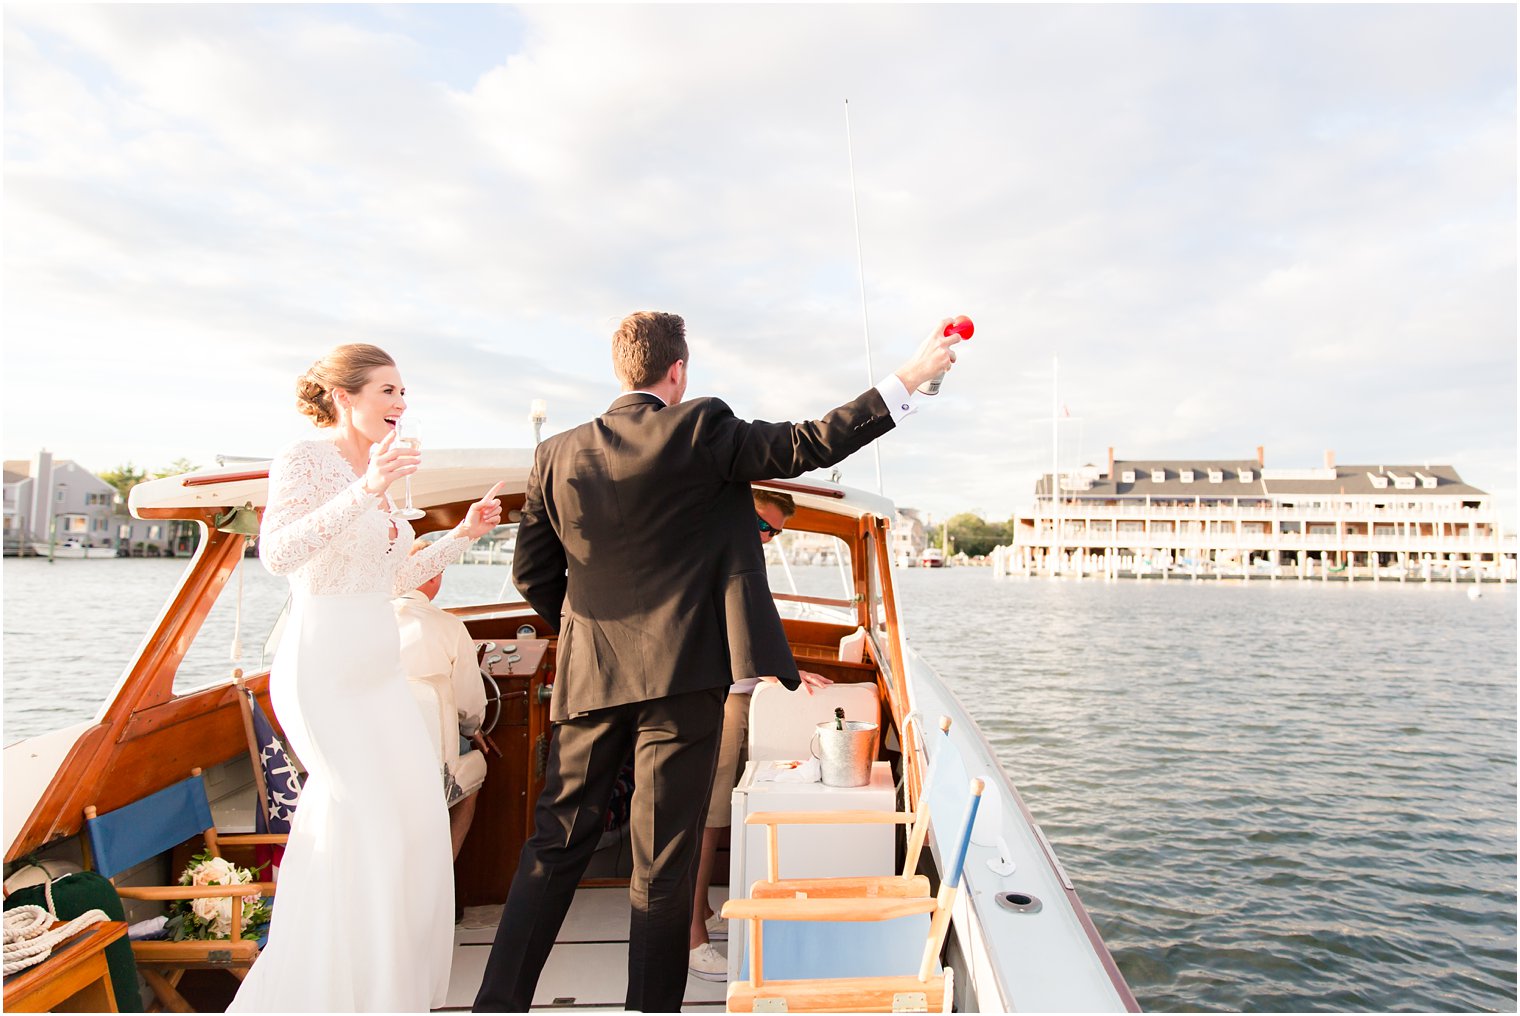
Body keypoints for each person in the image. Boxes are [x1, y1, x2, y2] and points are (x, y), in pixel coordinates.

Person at [474, 311, 962, 1012]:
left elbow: (532, 573)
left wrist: (588, 636)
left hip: (590, 677)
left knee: (555, 844)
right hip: (686, 679)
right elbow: (809, 443)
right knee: (663, 865)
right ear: (678, 372)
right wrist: (911, 379)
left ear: (622, 370)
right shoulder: (701, 427)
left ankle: (497, 1005)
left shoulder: (555, 454)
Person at [229, 343, 504, 1013]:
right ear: (345, 397)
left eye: (404, 391)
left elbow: (388, 581)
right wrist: (369, 489)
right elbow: (280, 555)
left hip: (380, 669)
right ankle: (333, 992)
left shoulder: (378, 471)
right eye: (388, 390)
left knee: (411, 825)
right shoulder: (307, 458)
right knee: (367, 821)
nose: (401, 403)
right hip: (323, 667)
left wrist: (462, 535)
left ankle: (384, 990)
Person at [687, 488, 832, 981]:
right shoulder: (711, 554)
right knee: (704, 819)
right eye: (763, 527)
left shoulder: (739, 556)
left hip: (743, 696)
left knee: (723, 812)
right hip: (717, 699)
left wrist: (782, 671)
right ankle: (691, 939)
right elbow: (707, 630)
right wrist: (774, 672)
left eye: (776, 533)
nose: (768, 539)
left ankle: (701, 909)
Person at [395, 538, 491, 859]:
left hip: (378, 755)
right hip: (430, 756)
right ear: (435, 578)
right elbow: (469, 706)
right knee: (474, 771)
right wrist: (473, 729)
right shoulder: (449, 627)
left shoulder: (368, 624)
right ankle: (444, 874)